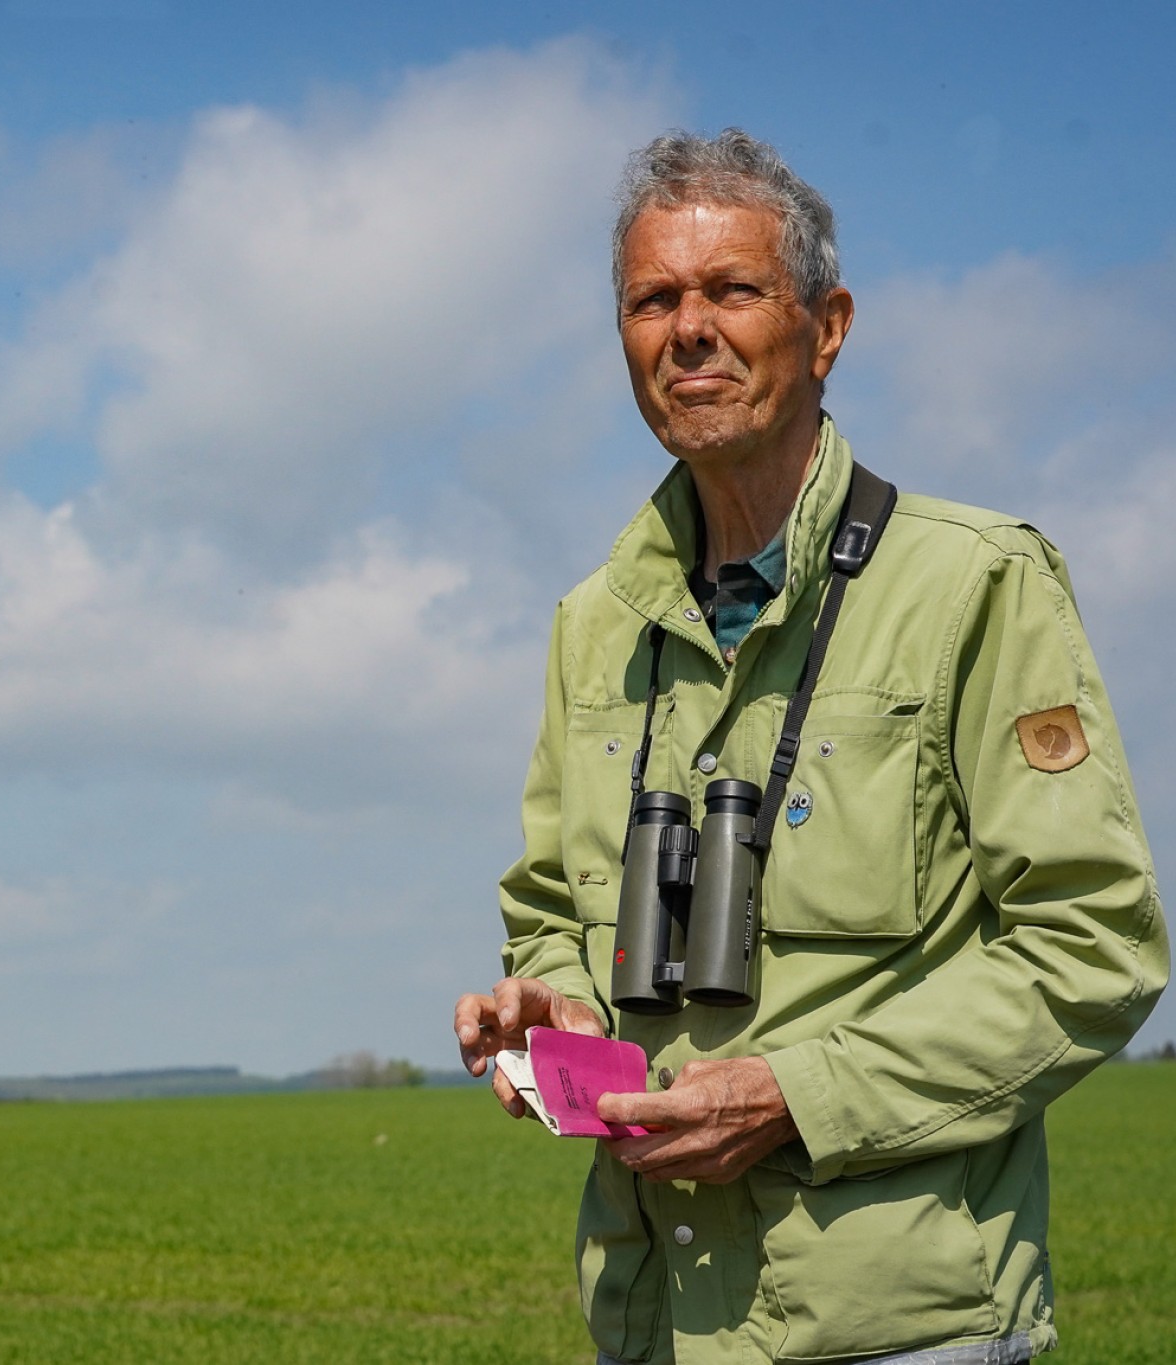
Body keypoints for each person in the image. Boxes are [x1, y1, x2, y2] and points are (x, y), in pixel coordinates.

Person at [452, 129, 1167, 1364]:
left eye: (731, 290)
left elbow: (1089, 946)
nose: (687, 330)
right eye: (650, 300)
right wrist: (548, 1008)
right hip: (656, 1321)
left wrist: (796, 1096)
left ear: (824, 327)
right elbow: (546, 912)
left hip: (901, 1331)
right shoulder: (590, 626)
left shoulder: (972, 583)